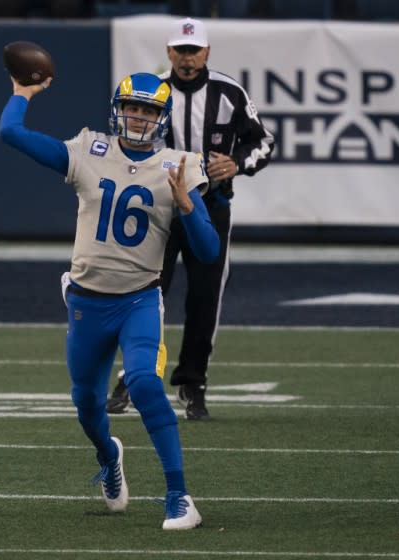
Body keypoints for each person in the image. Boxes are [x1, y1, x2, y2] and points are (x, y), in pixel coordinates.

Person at [0, 71, 219, 530]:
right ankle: (109, 455)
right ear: (118, 109)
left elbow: (208, 251)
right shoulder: (89, 150)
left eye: (149, 110)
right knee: (86, 404)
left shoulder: (179, 165)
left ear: (163, 117)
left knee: (142, 383)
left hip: (138, 299)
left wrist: (187, 206)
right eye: (133, 108)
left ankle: (179, 497)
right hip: (86, 302)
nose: (138, 117)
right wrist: (22, 94)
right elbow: (10, 133)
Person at [106, 17, 275, 420]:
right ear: (169, 52)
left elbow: (263, 141)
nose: (187, 58)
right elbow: (124, 142)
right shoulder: (154, 92)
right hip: (158, 210)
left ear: (207, 52)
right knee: (146, 294)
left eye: (194, 50)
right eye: (180, 50)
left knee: (205, 297)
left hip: (210, 208)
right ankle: (134, 373)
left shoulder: (229, 92)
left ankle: (193, 382)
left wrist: (237, 164)